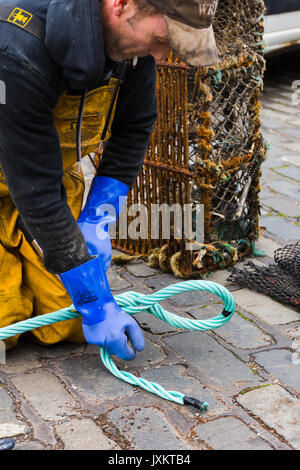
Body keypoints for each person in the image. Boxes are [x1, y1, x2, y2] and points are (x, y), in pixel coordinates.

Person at [0, 0, 218, 360]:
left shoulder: (132, 51)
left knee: (62, 325)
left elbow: (134, 129)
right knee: (8, 323)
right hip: (28, 183)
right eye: (163, 38)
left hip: (45, 180)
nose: (162, 56)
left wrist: (97, 220)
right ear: (121, 5)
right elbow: (36, 193)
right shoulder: (16, 50)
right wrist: (96, 305)